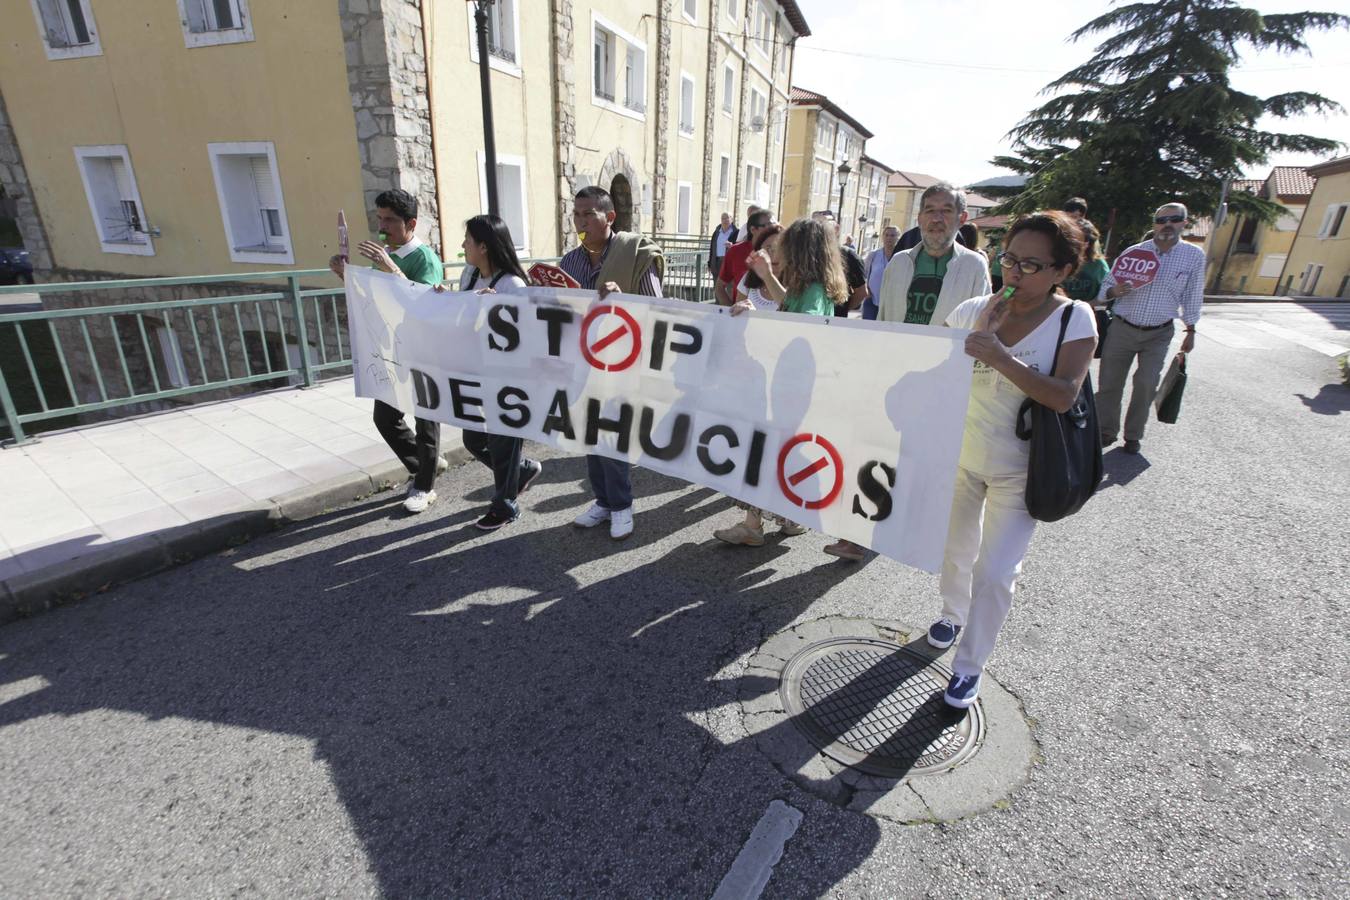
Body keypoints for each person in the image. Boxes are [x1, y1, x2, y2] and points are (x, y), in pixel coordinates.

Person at [929, 211, 1097, 708]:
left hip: (1022, 469)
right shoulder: (972, 309)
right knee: (955, 549)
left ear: (1062, 271)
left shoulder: (1074, 319)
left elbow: (1063, 396)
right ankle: (952, 613)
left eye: (1031, 265)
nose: (1015, 273)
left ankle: (969, 667)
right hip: (962, 456)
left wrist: (999, 355)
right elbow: (925, 367)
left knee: (997, 572)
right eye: (1009, 259)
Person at [711, 217, 846, 544]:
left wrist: (760, 313)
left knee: (764, 447)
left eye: (786, 246)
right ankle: (786, 518)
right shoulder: (809, 287)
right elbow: (788, 307)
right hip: (792, 383)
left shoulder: (813, 290)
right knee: (779, 448)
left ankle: (755, 525)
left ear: (800, 251)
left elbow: (801, 325)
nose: (780, 253)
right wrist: (767, 276)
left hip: (792, 386)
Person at [328, 188, 446, 514]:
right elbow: (374, 295)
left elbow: (423, 303)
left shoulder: (424, 258)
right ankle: (425, 464)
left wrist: (389, 266)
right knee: (385, 417)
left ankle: (424, 486)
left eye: (390, 220)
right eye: (379, 219)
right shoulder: (387, 254)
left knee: (426, 420)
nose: (382, 227)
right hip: (392, 349)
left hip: (423, 351)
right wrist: (346, 274)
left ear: (411, 223)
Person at [559, 186, 665, 540]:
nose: (581, 221)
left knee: (611, 436)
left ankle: (621, 505)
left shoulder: (635, 254)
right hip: (583, 362)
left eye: (589, 214)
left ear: (610, 217)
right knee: (590, 434)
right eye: (576, 214)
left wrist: (624, 302)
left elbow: (656, 311)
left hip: (622, 364)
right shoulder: (570, 262)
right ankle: (603, 501)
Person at [450, 215, 544, 531]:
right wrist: (445, 300)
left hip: (509, 379)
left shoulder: (512, 285)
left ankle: (505, 506)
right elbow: (461, 315)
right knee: (474, 438)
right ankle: (522, 470)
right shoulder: (470, 274)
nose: (463, 245)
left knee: (503, 443)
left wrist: (497, 312)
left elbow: (527, 334)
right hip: (478, 373)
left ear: (484, 247)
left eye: (468, 240)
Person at [1095, 202, 1204, 454]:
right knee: (1109, 383)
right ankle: (1106, 430)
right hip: (1123, 328)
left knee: (1146, 384)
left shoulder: (1193, 256)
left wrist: (1191, 330)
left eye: (1174, 219)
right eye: (1161, 220)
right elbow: (1104, 289)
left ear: (1184, 223)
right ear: (1154, 224)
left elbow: (1193, 295)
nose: (1167, 225)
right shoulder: (1134, 253)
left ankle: (1133, 435)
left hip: (1159, 332)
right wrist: (1113, 291)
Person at [877, 183, 991, 330]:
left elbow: (982, 324)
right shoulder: (898, 263)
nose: (936, 219)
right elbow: (882, 318)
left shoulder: (974, 266)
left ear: (962, 218)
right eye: (930, 210)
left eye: (946, 211)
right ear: (920, 218)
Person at [811, 210, 867, 317]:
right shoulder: (804, 255)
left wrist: (842, 309)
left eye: (825, 225)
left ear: (836, 229)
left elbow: (861, 292)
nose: (819, 230)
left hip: (834, 319)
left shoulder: (849, 256)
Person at [715, 208, 775, 306]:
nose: (774, 230)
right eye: (769, 226)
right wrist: (730, 311)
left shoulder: (780, 253)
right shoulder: (735, 251)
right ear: (753, 230)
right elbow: (719, 288)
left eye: (776, 226)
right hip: (741, 313)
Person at [732, 223, 785, 310]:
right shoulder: (748, 278)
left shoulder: (796, 283)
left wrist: (756, 314)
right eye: (768, 249)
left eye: (779, 249)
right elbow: (736, 313)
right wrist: (746, 312)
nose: (775, 255)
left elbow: (792, 312)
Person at [862, 225, 901, 320]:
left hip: (892, 304)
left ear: (898, 237)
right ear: (882, 237)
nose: (889, 238)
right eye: (886, 235)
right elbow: (863, 274)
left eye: (892, 235)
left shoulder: (902, 257)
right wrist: (866, 290)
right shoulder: (873, 255)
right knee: (868, 327)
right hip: (872, 300)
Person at [708, 212, 738, 280]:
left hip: (729, 263)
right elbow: (712, 248)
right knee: (716, 284)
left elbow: (740, 248)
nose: (724, 220)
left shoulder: (736, 232)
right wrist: (709, 263)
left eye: (727, 218)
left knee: (728, 284)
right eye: (723, 218)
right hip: (716, 262)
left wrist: (732, 246)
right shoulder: (716, 233)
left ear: (732, 219)